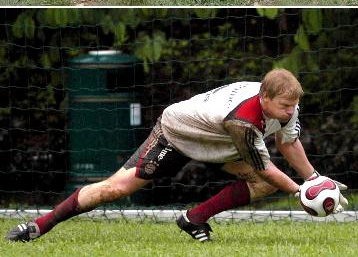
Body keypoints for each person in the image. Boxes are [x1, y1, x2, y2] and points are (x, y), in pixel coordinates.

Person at [6, 69, 348, 243]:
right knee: (116, 189)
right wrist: (304, 193)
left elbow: (289, 143)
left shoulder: (288, 103)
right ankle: (38, 226)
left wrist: (314, 178)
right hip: (179, 134)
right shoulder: (244, 120)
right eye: (284, 106)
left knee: (261, 184)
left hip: (220, 143)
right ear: (264, 98)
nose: (290, 112)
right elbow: (268, 166)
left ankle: (193, 218)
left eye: (293, 105)